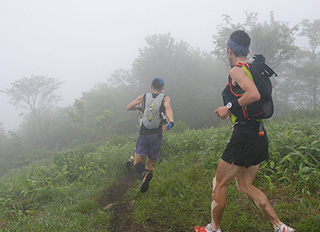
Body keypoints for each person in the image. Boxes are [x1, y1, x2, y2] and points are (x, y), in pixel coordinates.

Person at [194, 30, 295, 232]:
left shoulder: (237, 70)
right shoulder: (253, 69)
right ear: (248, 51)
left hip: (245, 134)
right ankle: (280, 226)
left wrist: (228, 108)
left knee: (219, 183)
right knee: (245, 185)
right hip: (258, 132)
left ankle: (213, 228)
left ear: (229, 50)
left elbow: (254, 94)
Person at [126, 77, 174, 193]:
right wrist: (171, 123)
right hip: (157, 134)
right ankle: (146, 177)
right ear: (163, 88)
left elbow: (129, 107)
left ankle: (144, 173)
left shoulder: (143, 96)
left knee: (137, 160)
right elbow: (168, 108)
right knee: (149, 162)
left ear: (151, 86)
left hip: (144, 133)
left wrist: (140, 107)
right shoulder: (165, 98)